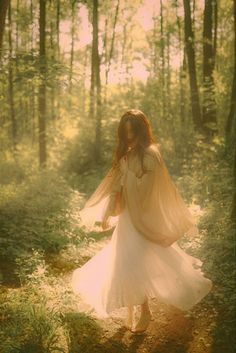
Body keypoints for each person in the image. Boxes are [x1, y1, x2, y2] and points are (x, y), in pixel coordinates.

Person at [71, 109, 213, 334]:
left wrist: (128, 178)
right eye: (126, 134)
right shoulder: (125, 156)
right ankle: (136, 311)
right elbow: (116, 187)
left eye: (133, 133)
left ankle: (147, 310)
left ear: (141, 131)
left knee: (144, 262)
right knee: (125, 263)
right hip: (128, 219)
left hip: (145, 218)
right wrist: (108, 212)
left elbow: (149, 188)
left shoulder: (151, 154)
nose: (129, 138)